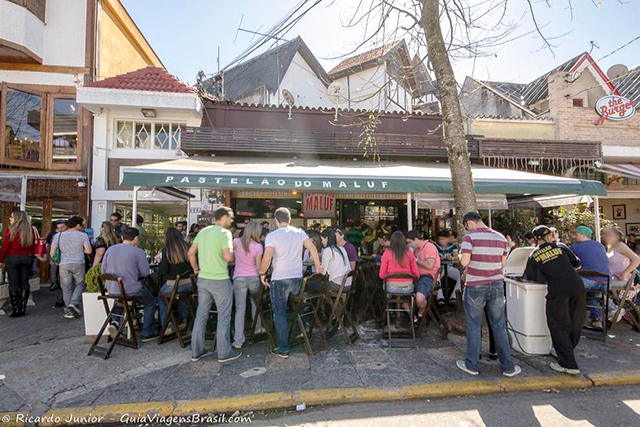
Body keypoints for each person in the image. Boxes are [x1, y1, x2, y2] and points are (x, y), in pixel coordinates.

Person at [457, 211, 521, 377]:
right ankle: (508, 367)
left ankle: (471, 364)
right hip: (497, 285)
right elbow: (503, 263)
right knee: (499, 325)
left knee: (474, 326)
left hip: (476, 285)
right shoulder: (500, 238)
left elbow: (464, 261)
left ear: (469, 223)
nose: (467, 229)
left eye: (466, 227)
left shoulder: (470, 238)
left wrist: (459, 255)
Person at [259, 207, 323, 359]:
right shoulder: (299, 232)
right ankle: (298, 333)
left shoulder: (272, 236)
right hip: (297, 278)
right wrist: (318, 265)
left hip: (280, 279)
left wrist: (262, 274)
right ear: (289, 220)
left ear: (275, 220)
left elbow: (267, 258)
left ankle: (283, 348)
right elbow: (313, 247)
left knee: (279, 313)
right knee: (297, 307)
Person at [524, 225, 586, 375]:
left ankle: (568, 364)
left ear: (536, 239)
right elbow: (577, 264)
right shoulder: (562, 247)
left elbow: (530, 277)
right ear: (549, 236)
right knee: (575, 322)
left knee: (558, 325)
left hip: (558, 290)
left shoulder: (535, 254)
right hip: (578, 286)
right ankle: (566, 354)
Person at [189, 207, 240, 363]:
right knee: (224, 316)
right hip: (220, 280)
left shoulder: (203, 232)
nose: (231, 220)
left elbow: (190, 253)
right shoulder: (225, 233)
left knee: (201, 315)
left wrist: (196, 269)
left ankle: (196, 351)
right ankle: (223, 353)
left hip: (203, 279)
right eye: (230, 217)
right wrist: (234, 251)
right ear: (223, 217)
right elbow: (228, 257)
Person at [101, 227, 156, 341]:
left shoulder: (110, 249)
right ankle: (147, 332)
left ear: (122, 237)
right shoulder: (138, 252)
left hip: (112, 289)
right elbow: (145, 273)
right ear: (136, 238)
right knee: (151, 301)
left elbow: (103, 271)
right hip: (131, 290)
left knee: (121, 299)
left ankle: (115, 322)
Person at [50, 216, 92, 319]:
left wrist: (57, 261)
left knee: (66, 287)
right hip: (79, 263)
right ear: (77, 225)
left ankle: (68, 310)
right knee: (80, 284)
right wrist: (81, 249)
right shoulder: (83, 236)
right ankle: (73, 303)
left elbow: (52, 252)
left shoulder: (58, 236)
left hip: (64, 264)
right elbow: (89, 251)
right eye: (81, 225)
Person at [571, 225, 611, 329]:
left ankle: (571, 320)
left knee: (568, 290)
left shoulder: (575, 247)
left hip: (589, 280)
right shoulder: (600, 245)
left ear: (583, 236)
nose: (574, 237)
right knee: (590, 295)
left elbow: (568, 262)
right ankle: (596, 319)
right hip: (605, 282)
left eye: (576, 234)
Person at [232, 220, 264, 350]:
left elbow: (232, 260)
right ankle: (257, 328)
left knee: (240, 309)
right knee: (255, 304)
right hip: (253, 278)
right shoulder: (258, 246)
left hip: (239, 277)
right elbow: (258, 267)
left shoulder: (235, 242)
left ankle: (238, 340)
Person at [0, 211, 37, 317]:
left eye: (11, 217)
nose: (9, 219)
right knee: (25, 282)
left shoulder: (10, 230)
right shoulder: (30, 230)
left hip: (13, 257)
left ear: (16, 218)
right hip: (27, 257)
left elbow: (5, 247)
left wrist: (1, 259)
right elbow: (33, 245)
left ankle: (16, 309)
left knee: (13, 283)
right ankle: (23, 308)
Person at [157, 228, 194, 331]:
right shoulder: (188, 247)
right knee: (183, 297)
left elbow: (164, 270)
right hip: (190, 283)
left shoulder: (167, 250)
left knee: (161, 297)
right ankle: (183, 319)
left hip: (174, 284)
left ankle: (167, 325)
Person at [379, 231, 419, 317]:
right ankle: (409, 314)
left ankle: (390, 310)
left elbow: (381, 275)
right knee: (404, 297)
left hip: (392, 288)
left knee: (385, 288)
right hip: (408, 289)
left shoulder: (387, 253)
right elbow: (417, 274)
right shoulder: (409, 253)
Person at [406, 230, 440, 320]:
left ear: (416, 239)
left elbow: (429, 265)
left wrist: (415, 260)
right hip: (418, 277)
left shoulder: (429, 247)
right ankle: (416, 318)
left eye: (410, 242)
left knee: (419, 298)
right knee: (403, 295)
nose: (409, 245)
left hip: (429, 278)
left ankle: (421, 315)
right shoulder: (417, 250)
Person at [308, 228, 351, 294]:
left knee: (309, 285)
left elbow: (323, 273)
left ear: (326, 238)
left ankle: (317, 304)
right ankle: (325, 303)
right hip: (348, 284)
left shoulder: (327, 250)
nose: (321, 242)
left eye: (322, 239)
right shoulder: (342, 248)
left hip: (336, 285)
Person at [435, 231, 461, 306]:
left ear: (447, 239)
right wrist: (439, 258)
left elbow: (457, 256)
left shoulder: (453, 246)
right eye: (440, 239)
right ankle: (440, 298)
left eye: (444, 239)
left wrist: (452, 257)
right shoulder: (435, 246)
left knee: (460, 276)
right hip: (438, 268)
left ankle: (453, 297)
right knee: (436, 278)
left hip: (449, 267)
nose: (442, 241)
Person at [47, 220, 68, 308]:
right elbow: (49, 247)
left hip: (66, 261)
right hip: (56, 261)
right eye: (58, 228)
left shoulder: (70, 236)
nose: (60, 230)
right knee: (57, 280)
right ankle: (59, 300)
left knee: (66, 281)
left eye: (62, 228)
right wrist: (51, 260)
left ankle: (65, 299)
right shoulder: (53, 235)